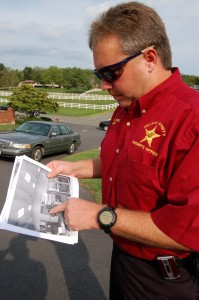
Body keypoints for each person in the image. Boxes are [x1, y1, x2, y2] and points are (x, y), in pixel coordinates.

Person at [47, 2, 199, 299]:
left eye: (111, 72)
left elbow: (186, 230)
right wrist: (74, 168)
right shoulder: (125, 107)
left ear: (150, 58)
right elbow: (119, 161)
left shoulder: (190, 119)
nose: (104, 85)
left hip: (164, 277)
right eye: (98, 75)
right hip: (123, 256)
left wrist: (100, 216)